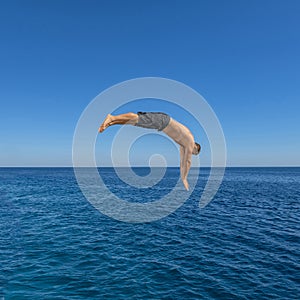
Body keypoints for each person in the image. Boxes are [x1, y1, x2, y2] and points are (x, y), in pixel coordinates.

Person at [99, 112, 201, 191]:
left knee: (135, 122)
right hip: (163, 121)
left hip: (162, 124)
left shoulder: (183, 145)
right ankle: (112, 117)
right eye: (194, 152)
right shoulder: (190, 142)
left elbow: (183, 162)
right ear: (195, 147)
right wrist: (184, 179)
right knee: (138, 119)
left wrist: (183, 176)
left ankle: (111, 122)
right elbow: (188, 161)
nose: (191, 153)